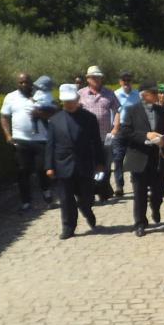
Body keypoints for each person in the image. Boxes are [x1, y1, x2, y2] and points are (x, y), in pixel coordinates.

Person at [45, 84, 104, 240]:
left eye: (72, 100)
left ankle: (87, 210)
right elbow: (50, 144)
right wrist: (49, 166)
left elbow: (96, 142)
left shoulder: (89, 118)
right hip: (63, 164)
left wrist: (100, 162)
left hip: (84, 163)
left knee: (86, 196)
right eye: (66, 101)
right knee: (65, 198)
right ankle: (68, 226)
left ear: (77, 99)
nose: (69, 104)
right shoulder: (54, 120)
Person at [117, 82, 164, 237]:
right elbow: (125, 132)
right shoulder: (132, 111)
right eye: (154, 93)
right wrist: (145, 136)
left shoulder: (162, 111)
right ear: (144, 95)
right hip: (139, 157)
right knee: (139, 192)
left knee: (159, 190)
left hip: (159, 157)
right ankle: (140, 223)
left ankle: (155, 207)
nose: (158, 95)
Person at [0, 72, 54, 211]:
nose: (24, 84)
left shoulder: (41, 94)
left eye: (26, 82)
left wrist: (40, 113)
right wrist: (8, 135)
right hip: (21, 140)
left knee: (43, 168)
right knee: (23, 171)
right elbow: (4, 117)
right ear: (17, 83)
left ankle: (47, 193)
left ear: (31, 83)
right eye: (21, 82)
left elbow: (55, 111)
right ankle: (26, 201)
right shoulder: (10, 97)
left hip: (41, 139)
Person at [78, 65, 120, 202]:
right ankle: (92, 190)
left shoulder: (109, 93)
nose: (97, 79)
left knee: (106, 165)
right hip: (87, 138)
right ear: (88, 79)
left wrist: (115, 127)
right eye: (94, 77)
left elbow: (118, 110)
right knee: (90, 165)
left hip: (105, 136)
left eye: (99, 77)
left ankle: (102, 189)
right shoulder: (80, 94)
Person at [109, 70, 141, 197]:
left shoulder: (137, 95)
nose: (126, 82)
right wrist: (112, 128)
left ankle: (135, 181)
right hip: (119, 128)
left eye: (129, 80)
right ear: (120, 81)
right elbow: (112, 112)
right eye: (124, 80)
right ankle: (119, 185)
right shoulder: (115, 94)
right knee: (118, 158)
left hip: (134, 128)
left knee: (134, 156)